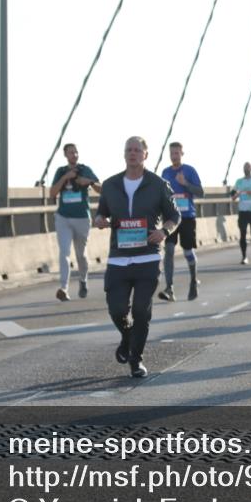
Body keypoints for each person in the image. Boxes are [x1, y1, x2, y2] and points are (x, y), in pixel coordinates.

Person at [93, 137, 181, 377]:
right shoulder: (111, 185)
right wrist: (99, 220)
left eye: (137, 150)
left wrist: (164, 231)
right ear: (124, 155)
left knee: (141, 310)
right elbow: (101, 213)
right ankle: (128, 337)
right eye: (128, 150)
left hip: (147, 258)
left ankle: (136, 360)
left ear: (145, 154)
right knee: (116, 309)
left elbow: (174, 215)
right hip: (118, 259)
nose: (132, 153)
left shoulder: (158, 184)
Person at [49, 143, 101, 301]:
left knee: (81, 255)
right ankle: (63, 288)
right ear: (66, 155)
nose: (74, 155)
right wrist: (65, 178)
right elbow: (52, 193)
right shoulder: (61, 171)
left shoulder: (85, 169)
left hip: (82, 218)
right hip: (63, 217)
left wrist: (90, 182)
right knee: (64, 252)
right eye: (71, 153)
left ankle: (83, 280)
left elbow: (101, 188)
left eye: (76, 152)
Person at [160, 142, 204, 301]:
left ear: (182, 154)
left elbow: (201, 193)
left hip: (187, 217)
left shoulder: (189, 171)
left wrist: (185, 183)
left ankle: (193, 280)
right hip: (171, 218)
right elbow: (161, 195)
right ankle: (169, 288)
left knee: (187, 251)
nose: (174, 156)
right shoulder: (165, 172)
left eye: (177, 153)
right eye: (172, 153)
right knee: (169, 251)